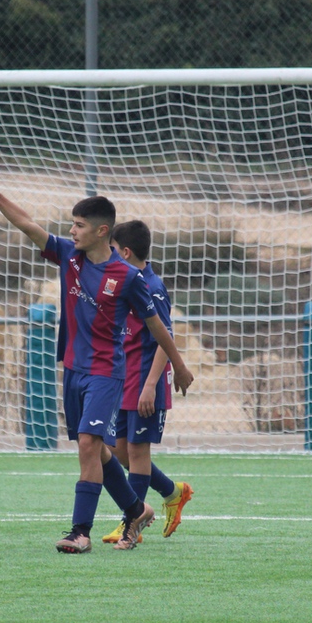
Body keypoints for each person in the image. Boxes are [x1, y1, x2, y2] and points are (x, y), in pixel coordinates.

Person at [0, 171, 195, 553]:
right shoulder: (69, 257)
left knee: (89, 445)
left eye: (79, 225)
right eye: (72, 223)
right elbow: (27, 225)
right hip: (72, 370)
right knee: (102, 451)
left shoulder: (128, 277)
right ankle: (136, 508)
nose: (72, 230)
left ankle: (79, 532)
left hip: (107, 372)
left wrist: (180, 367)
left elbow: (157, 326)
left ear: (103, 231)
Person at [100, 220, 193, 545]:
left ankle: (131, 525)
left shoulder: (151, 287)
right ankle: (172, 491)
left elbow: (163, 340)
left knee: (138, 452)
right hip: (123, 382)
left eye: (112, 251)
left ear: (124, 252)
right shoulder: (126, 283)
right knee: (117, 451)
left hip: (144, 383)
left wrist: (151, 384)